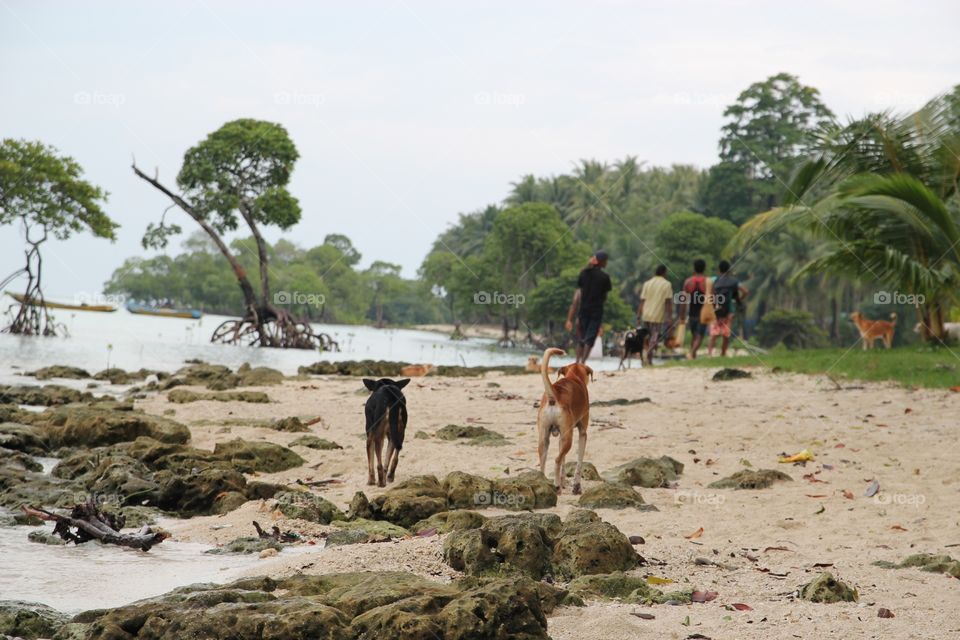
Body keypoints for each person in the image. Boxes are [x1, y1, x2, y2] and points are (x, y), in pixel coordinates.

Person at [565, 250, 612, 364]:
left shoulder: (584, 273)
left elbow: (580, 290)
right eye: (605, 261)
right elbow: (604, 296)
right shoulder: (605, 277)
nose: (606, 263)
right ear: (601, 262)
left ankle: (577, 362)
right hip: (596, 310)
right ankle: (583, 362)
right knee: (590, 339)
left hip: (583, 310)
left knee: (582, 337)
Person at [707, 260, 748, 357]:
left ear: (719, 270)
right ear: (729, 270)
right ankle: (723, 353)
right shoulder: (734, 281)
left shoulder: (713, 279)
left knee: (713, 333)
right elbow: (745, 291)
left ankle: (709, 354)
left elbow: (709, 293)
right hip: (729, 310)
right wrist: (736, 300)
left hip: (715, 310)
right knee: (726, 334)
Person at [637, 264, 673, 365]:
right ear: (664, 273)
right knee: (654, 337)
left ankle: (645, 355)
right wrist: (669, 318)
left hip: (646, 314)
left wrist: (638, 316)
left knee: (646, 337)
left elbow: (642, 301)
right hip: (657, 316)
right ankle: (649, 358)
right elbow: (668, 302)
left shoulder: (647, 283)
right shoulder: (667, 284)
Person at [679, 259, 709, 359]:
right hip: (703, 312)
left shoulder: (688, 282)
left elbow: (683, 300)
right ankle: (692, 353)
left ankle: (692, 355)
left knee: (694, 335)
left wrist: (682, 315)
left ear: (694, 268)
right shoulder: (707, 282)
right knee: (699, 335)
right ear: (704, 268)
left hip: (692, 313)